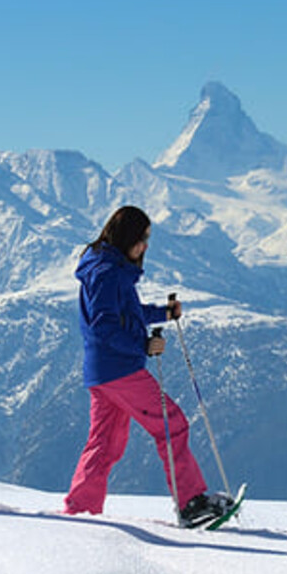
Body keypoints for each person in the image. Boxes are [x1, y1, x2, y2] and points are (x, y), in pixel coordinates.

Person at [63, 206, 236, 528]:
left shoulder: (104, 266)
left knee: (104, 444)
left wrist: (163, 314)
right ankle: (190, 504)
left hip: (102, 372)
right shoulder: (107, 272)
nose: (144, 246)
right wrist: (142, 345)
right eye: (142, 239)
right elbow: (105, 325)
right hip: (120, 370)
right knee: (172, 423)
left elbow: (125, 315)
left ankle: (80, 512)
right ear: (127, 236)